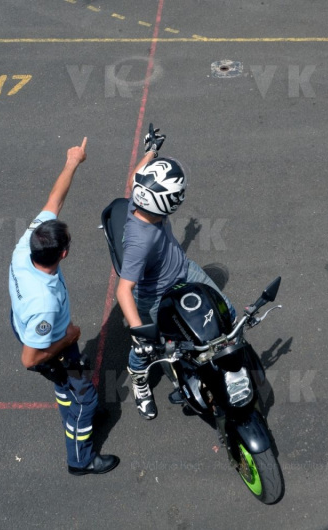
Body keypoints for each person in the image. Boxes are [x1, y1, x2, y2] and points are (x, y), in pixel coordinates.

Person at [9, 138, 119, 476]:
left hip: (26, 322)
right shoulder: (43, 302)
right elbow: (30, 359)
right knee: (82, 399)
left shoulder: (29, 242)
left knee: (71, 384)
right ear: (63, 254)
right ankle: (80, 458)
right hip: (48, 345)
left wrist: (73, 161)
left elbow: (54, 199)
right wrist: (68, 338)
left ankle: (73, 398)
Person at [117, 125, 235, 420]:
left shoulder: (141, 193)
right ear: (167, 203)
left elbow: (136, 175)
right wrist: (140, 333)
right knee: (157, 351)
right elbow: (123, 290)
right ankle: (140, 381)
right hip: (155, 298)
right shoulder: (139, 242)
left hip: (184, 270)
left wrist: (151, 150)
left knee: (228, 314)